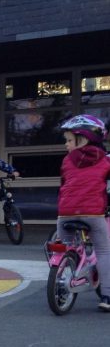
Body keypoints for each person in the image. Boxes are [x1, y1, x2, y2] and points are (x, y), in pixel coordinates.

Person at [55, 114, 110, 311]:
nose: (66, 145)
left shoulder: (66, 161)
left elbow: (64, 185)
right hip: (93, 214)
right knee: (103, 250)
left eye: (69, 140)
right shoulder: (105, 161)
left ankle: (64, 272)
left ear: (82, 139)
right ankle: (107, 296)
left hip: (65, 213)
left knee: (66, 245)